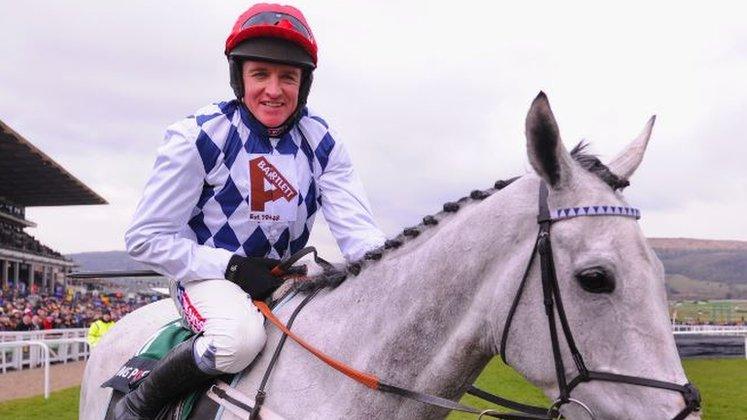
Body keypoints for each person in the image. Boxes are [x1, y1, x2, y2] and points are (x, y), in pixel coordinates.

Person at [118, 3, 385, 418]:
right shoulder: (199, 135)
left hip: (283, 276)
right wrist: (232, 267)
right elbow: (144, 239)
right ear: (239, 77)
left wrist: (390, 276)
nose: (274, 90)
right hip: (206, 277)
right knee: (238, 341)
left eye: (288, 77)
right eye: (260, 74)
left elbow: (361, 238)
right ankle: (139, 403)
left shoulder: (323, 142)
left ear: (304, 83)